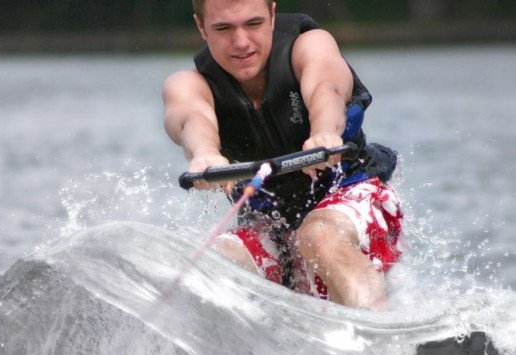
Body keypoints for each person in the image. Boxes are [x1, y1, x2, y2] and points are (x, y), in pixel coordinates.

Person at [163, 0, 403, 310]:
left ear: (273, 15)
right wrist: (205, 153)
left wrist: (323, 131)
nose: (241, 42)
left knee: (318, 235)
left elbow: (326, 88)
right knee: (215, 261)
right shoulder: (188, 85)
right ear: (201, 27)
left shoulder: (310, 46)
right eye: (223, 28)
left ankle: (377, 336)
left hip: (354, 204)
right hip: (272, 229)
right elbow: (191, 118)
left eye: (253, 24)